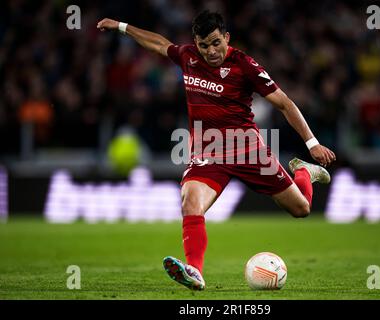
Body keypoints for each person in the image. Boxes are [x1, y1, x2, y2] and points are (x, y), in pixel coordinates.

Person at [97, 10, 336, 290]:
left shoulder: (244, 65)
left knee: (302, 209)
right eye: (203, 45)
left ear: (226, 37)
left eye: (215, 43)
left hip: (248, 151)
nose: (211, 51)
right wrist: (122, 26)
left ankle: (304, 173)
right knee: (190, 201)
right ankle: (195, 272)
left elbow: (284, 103)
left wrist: (312, 143)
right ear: (195, 43)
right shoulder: (188, 57)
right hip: (208, 151)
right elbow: (159, 44)